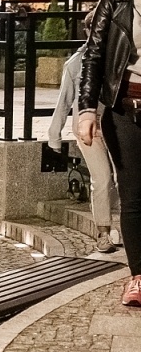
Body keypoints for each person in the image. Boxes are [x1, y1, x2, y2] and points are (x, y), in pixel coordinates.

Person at [76, 0, 141, 302]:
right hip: (125, 109)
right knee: (133, 194)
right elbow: (93, 60)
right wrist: (87, 111)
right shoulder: (115, 3)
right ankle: (138, 277)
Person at [49, 43, 119, 254]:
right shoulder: (75, 63)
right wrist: (54, 135)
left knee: (121, 178)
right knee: (102, 177)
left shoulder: (118, 54)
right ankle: (103, 232)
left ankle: (121, 228)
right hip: (87, 128)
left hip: (115, 126)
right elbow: (64, 100)